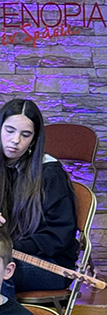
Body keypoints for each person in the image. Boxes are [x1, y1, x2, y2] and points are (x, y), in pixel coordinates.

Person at [0, 99, 78, 295]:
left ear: (34, 140)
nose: (15, 140)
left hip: (49, 263)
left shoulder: (50, 173)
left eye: (25, 135)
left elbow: (58, 236)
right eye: (9, 130)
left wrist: (11, 247)